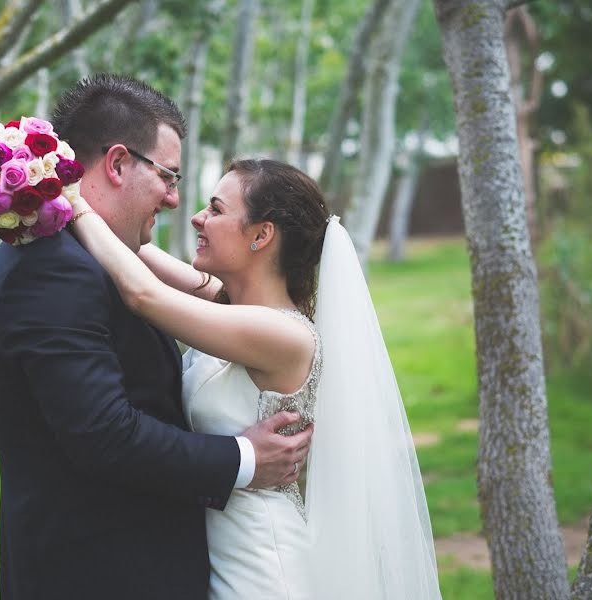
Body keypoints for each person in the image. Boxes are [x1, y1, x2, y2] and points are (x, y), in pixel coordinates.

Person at [0, 74, 313, 600]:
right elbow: (106, 434)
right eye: (169, 177)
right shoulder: (57, 268)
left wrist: (70, 203)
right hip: (96, 573)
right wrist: (244, 459)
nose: (179, 202)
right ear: (115, 163)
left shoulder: (81, 256)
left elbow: (168, 291)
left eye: (214, 208)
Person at [70, 158, 443, 598]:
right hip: (219, 548)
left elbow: (143, 293)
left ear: (262, 235)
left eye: (216, 209)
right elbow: (133, 252)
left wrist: (71, 201)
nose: (196, 218)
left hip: (262, 563)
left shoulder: (283, 335)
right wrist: (70, 200)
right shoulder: (234, 309)